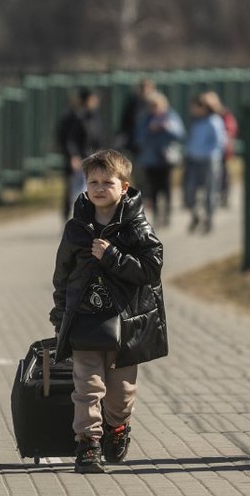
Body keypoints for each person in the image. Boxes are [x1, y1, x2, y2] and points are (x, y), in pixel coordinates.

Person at [50, 149, 167, 474]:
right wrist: (61, 314)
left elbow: (151, 269)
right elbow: (62, 275)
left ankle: (117, 427)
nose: (99, 188)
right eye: (93, 182)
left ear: (124, 186)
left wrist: (113, 256)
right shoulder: (76, 229)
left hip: (126, 323)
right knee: (87, 386)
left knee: (121, 393)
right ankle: (88, 444)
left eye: (107, 182)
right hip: (85, 321)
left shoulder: (137, 227)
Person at [135, 90, 185, 227]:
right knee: (154, 189)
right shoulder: (145, 119)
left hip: (166, 159)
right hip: (150, 159)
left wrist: (166, 127)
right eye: (152, 106)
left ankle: (167, 215)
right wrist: (150, 130)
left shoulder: (171, 116)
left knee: (167, 188)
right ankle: (157, 216)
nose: (155, 109)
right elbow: (138, 138)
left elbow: (180, 133)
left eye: (158, 105)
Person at [57, 87, 105, 220]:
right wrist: (73, 156)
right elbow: (70, 139)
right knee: (74, 191)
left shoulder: (95, 118)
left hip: (92, 158)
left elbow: (98, 139)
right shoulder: (77, 118)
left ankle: (89, 219)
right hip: (79, 160)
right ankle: (70, 219)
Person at [182, 92, 226, 234]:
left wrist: (208, 153)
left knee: (210, 191)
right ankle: (195, 216)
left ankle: (209, 219)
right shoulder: (195, 122)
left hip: (209, 161)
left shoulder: (214, 121)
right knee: (190, 190)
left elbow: (219, 142)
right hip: (194, 160)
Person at [202, 91, 238, 208]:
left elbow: (231, 128)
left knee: (223, 174)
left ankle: (224, 196)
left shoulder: (224, 114)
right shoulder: (202, 116)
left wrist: (226, 139)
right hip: (208, 150)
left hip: (223, 148)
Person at [116, 78, 156, 156]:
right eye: (142, 88)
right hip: (133, 142)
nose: (145, 91)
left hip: (150, 143)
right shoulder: (132, 104)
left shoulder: (155, 103)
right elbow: (124, 122)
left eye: (147, 88)